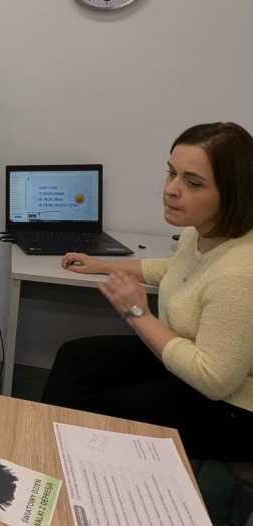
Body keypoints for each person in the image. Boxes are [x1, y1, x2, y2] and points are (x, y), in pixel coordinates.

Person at [41, 122, 253, 460]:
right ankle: (45, 450)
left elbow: (213, 380)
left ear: (233, 193)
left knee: (104, 406)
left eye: (193, 182)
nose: (171, 189)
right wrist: (103, 265)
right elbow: (176, 269)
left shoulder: (240, 272)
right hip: (182, 359)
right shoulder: (201, 232)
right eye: (172, 173)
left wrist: (137, 313)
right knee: (75, 358)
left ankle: (72, 467)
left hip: (230, 410)